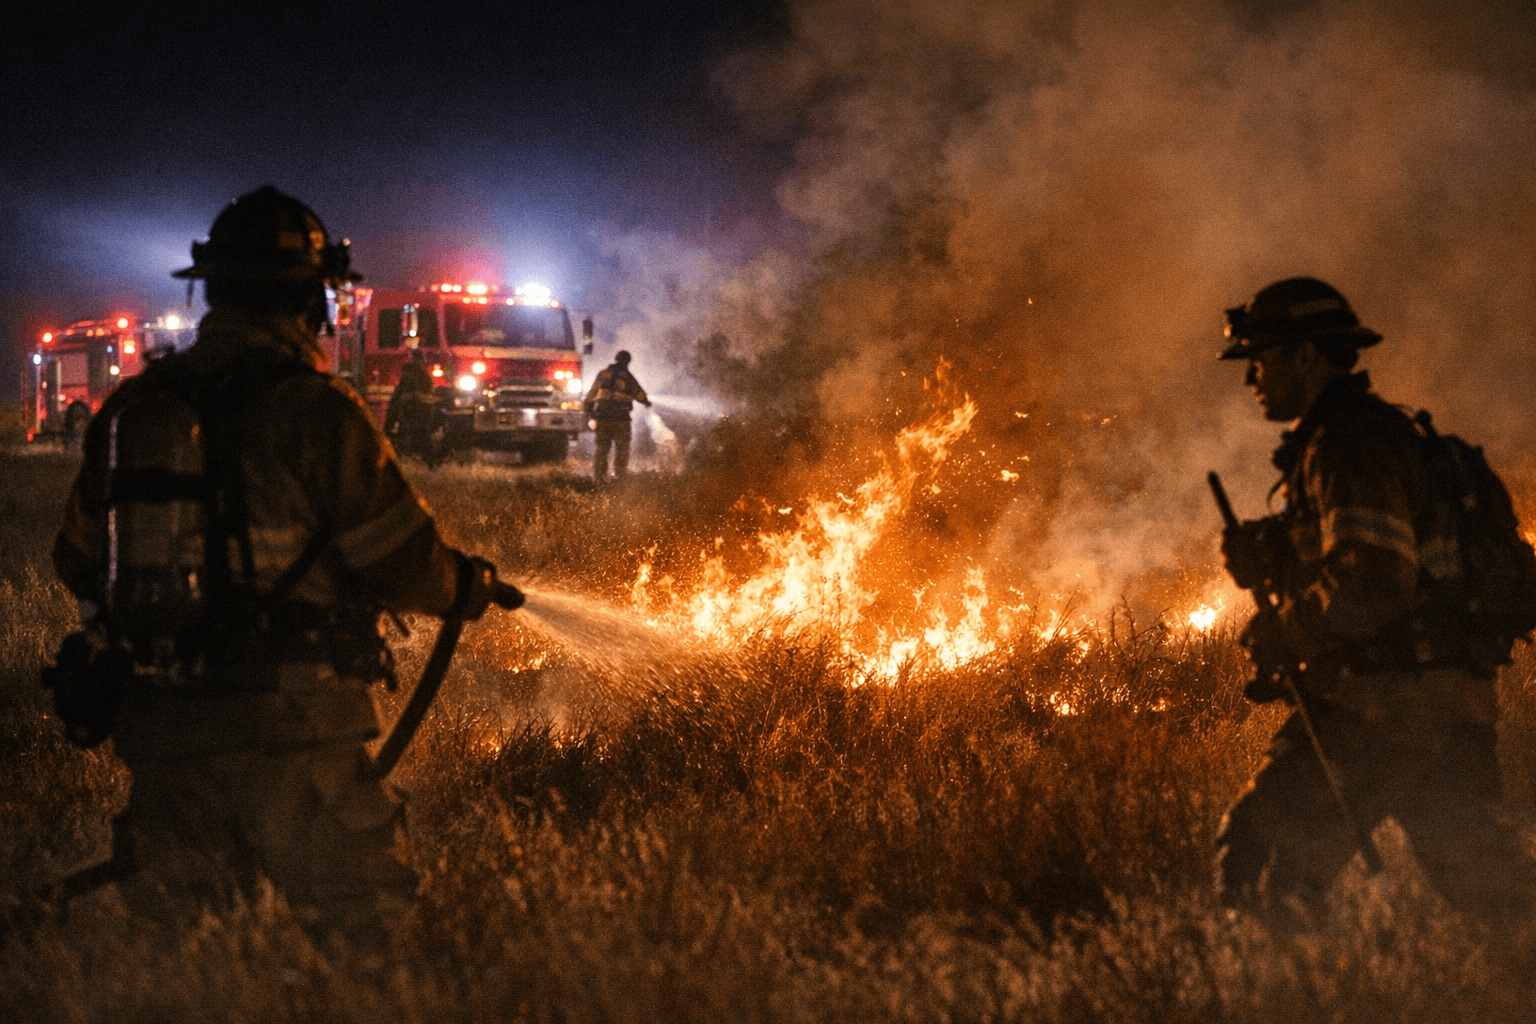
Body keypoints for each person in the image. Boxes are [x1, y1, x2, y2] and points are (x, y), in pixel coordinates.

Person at [48, 186, 512, 939]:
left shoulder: (135, 408)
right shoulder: (317, 411)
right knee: (366, 933)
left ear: (211, 292)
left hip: (166, 727)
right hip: (296, 727)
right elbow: (400, 559)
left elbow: (77, 558)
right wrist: (466, 586)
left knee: (182, 952)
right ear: (316, 299)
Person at [1212, 276, 1536, 935]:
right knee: (1489, 883)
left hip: (1384, 706)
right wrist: (1274, 550)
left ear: (1307, 357)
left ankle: (1285, 999)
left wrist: (1288, 632)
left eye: (1262, 358)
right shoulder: (1374, 438)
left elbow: (1374, 579)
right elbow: (1388, 556)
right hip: (1449, 701)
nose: (1253, 377)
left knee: (1266, 850)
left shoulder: (1346, 446)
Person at [583, 349, 651, 481]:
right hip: (621, 420)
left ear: (616, 359)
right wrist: (646, 402)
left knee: (601, 450)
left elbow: (592, 393)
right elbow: (639, 394)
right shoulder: (628, 377)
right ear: (627, 362)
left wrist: (588, 411)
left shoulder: (603, 374)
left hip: (602, 418)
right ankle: (619, 477)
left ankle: (599, 479)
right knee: (622, 449)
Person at [384, 347, 437, 457]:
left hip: (416, 407)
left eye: (418, 359)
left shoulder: (422, 376)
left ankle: (390, 432)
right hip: (414, 407)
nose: (417, 362)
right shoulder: (421, 375)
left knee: (396, 415)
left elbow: (400, 391)